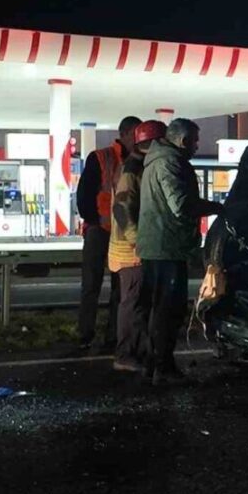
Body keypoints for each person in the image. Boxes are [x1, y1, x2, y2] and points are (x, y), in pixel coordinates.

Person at [137, 118, 222, 385]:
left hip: (159, 246)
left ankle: (153, 364)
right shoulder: (170, 162)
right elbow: (181, 205)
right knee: (168, 310)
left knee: (160, 308)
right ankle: (163, 367)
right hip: (167, 247)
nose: (197, 146)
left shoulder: (158, 160)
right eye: (195, 141)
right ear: (184, 141)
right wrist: (217, 207)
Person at [76, 115, 141, 349]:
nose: (139, 139)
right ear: (124, 134)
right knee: (92, 285)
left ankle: (113, 336)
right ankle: (86, 335)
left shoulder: (138, 161)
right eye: (136, 134)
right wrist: (93, 222)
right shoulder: (101, 157)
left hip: (121, 234)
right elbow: (84, 195)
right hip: (100, 231)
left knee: (120, 289)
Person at [108, 119, 166, 372]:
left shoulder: (139, 165)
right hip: (130, 251)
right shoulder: (133, 168)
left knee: (140, 304)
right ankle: (125, 354)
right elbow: (122, 209)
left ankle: (139, 353)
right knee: (131, 305)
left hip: (133, 249)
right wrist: (138, 242)